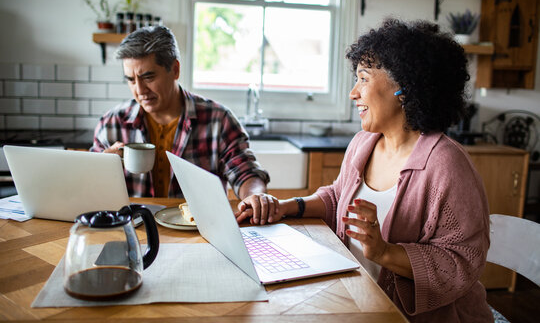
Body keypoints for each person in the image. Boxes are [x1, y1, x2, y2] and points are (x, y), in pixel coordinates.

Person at [235, 19, 493, 322]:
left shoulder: (447, 165)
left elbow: (461, 263)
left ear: (405, 88)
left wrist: (385, 252)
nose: (353, 93)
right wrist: (286, 207)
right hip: (360, 301)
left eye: (364, 78)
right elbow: (337, 197)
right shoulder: (364, 143)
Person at [90, 26, 270, 204]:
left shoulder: (219, 120)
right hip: (134, 229)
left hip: (197, 230)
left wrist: (255, 197)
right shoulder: (111, 124)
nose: (139, 90)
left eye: (148, 77)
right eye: (130, 79)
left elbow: (246, 173)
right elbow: (89, 185)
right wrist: (101, 167)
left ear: (175, 69)